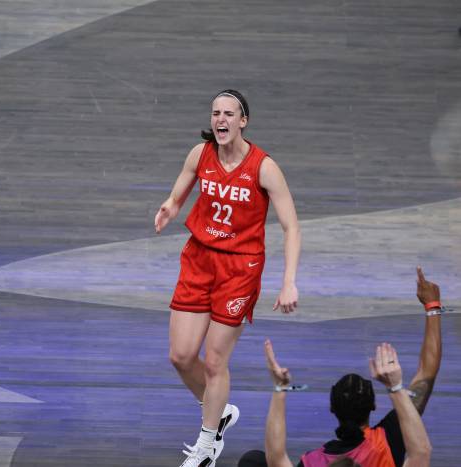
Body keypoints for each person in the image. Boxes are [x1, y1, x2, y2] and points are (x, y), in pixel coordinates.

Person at [155, 89, 301, 466]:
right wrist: (171, 206)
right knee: (181, 355)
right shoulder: (200, 154)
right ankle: (217, 412)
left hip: (240, 269)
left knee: (216, 361)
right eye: (215, 113)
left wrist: (288, 281)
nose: (220, 119)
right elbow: (181, 187)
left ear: (242, 121)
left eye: (228, 113)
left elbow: (291, 226)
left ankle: (207, 444)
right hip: (199, 260)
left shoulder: (264, 167)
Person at [240, 267, 441, 467]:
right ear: (374, 406)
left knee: (254, 461)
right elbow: (427, 373)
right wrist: (432, 306)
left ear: (332, 409)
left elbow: (276, 459)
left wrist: (279, 389)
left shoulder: (312, 461)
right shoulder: (389, 440)